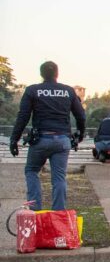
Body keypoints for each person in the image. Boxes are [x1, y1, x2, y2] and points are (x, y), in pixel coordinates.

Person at [10, 61, 87, 211]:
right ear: (57, 74)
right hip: (62, 139)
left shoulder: (32, 90)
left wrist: (14, 139)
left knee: (31, 171)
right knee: (59, 177)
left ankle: (34, 211)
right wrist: (80, 134)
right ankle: (58, 214)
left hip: (41, 139)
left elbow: (23, 116)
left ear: (41, 74)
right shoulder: (68, 91)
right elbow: (81, 116)